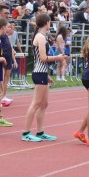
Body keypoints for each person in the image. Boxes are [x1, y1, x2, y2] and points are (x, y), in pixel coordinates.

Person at [22, 13, 63, 142]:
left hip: (42, 72)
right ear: (47, 23)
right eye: (50, 22)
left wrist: (47, 75)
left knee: (44, 104)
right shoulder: (40, 37)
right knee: (36, 104)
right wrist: (57, 57)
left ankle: (40, 132)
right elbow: (43, 58)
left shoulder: (42, 36)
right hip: (39, 72)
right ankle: (26, 133)